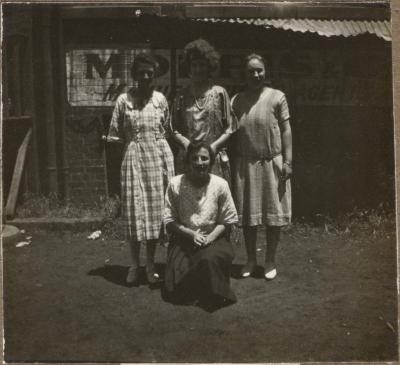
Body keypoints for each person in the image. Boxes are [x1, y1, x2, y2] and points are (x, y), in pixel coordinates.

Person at [107, 52, 174, 286]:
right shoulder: (123, 101)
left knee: (155, 213)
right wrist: (118, 171)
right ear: (134, 75)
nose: (146, 77)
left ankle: (150, 264)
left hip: (157, 158)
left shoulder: (160, 100)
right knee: (135, 213)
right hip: (133, 158)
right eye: (141, 73)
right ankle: (134, 265)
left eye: (150, 73)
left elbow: (166, 129)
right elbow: (114, 138)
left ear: (154, 75)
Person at [231, 53, 293, 280]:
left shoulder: (277, 97)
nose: (255, 75)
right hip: (246, 164)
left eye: (259, 70)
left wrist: (288, 162)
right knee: (249, 217)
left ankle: (270, 261)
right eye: (250, 71)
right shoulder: (236, 100)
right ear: (244, 74)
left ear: (266, 72)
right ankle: (250, 260)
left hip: (272, 163)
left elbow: (286, 130)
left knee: (272, 217)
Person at [163, 141, 238, 310]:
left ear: (211, 162)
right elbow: (169, 220)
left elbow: (227, 220)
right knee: (173, 287)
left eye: (204, 158)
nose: (199, 163)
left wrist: (209, 238)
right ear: (187, 162)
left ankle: (217, 293)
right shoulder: (175, 184)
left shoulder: (220, 184)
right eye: (194, 158)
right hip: (184, 238)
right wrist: (192, 235)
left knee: (207, 259)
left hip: (214, 237)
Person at [170, 38, 237, 183]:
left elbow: (230, 128)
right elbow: (173, 128)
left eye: (202, 65)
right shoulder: (181, 96)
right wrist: (188, 146)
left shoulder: (220, 93)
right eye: (194, 65)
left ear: (209, 66)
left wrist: (214, 147)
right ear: (189, 67)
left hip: (213, 159)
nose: (198, 69)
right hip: (188, 160)